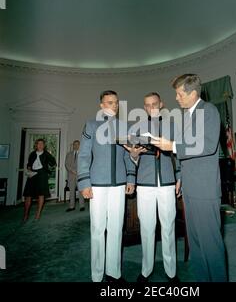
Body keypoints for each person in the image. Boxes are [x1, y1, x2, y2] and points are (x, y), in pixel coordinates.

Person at [151, 74, 227, 282]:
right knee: (196, 245)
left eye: (179, 93)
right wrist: (181, 177)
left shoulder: (208, 110)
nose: (176, 98)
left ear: (193, 93)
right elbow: (189, 155)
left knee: (211, 245)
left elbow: (208, 144)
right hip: (190, 189)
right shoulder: (187, 117)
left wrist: (173, 146)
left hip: (205, 189)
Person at [77, 90, 136, 283]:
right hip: (97, 184)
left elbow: (128, 155)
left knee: (116, 228)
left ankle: (114, 273)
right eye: (109, 102)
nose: (114, 105)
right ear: (101, 105)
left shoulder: (124, 127)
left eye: (116, 102)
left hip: (119, 184)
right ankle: (96, 275)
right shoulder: (91, 125)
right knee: (97, 229)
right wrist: (84, 182)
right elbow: (84, 155)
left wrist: (130, 178)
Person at [125, 92, 181, 283]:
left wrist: (179, 177)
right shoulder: (136, 128)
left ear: (161, 104)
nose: (151, 108)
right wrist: (133, 155)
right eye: (147, 105)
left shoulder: (172, 126)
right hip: (145, 184)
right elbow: (130, 157)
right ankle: (146, 270)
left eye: (154, 104)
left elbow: (179, 155)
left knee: (168, 227)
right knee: (147, 228)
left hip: (167, 183)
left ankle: (171, 272)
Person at [23, 138, 56, 221]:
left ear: (44, 145)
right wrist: (29, 170)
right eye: (39, 143)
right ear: (36, 145)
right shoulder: (32, 154)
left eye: (42, 144)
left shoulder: (46, 154)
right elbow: (29, 165)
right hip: (32, 175)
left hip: (42, 175)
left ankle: (38, 214)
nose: (40, 145)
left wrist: (48, 169)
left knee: (41, 194)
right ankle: (26, 214)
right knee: (28, 195)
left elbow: (53, 163)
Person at [65, 140, 85, 212]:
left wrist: (79, 171)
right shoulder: (69, 154)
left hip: (79, 175)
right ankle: (71, 206)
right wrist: (72, 170)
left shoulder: (83, 154)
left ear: (80, 145)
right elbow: (66, 164)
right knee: (72, 191)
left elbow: (85, 164)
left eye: (77, 144)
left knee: (81, 191)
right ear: (73, 145)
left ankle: (82, 206)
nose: (76, 146)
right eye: (74, 144)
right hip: (71, 176)